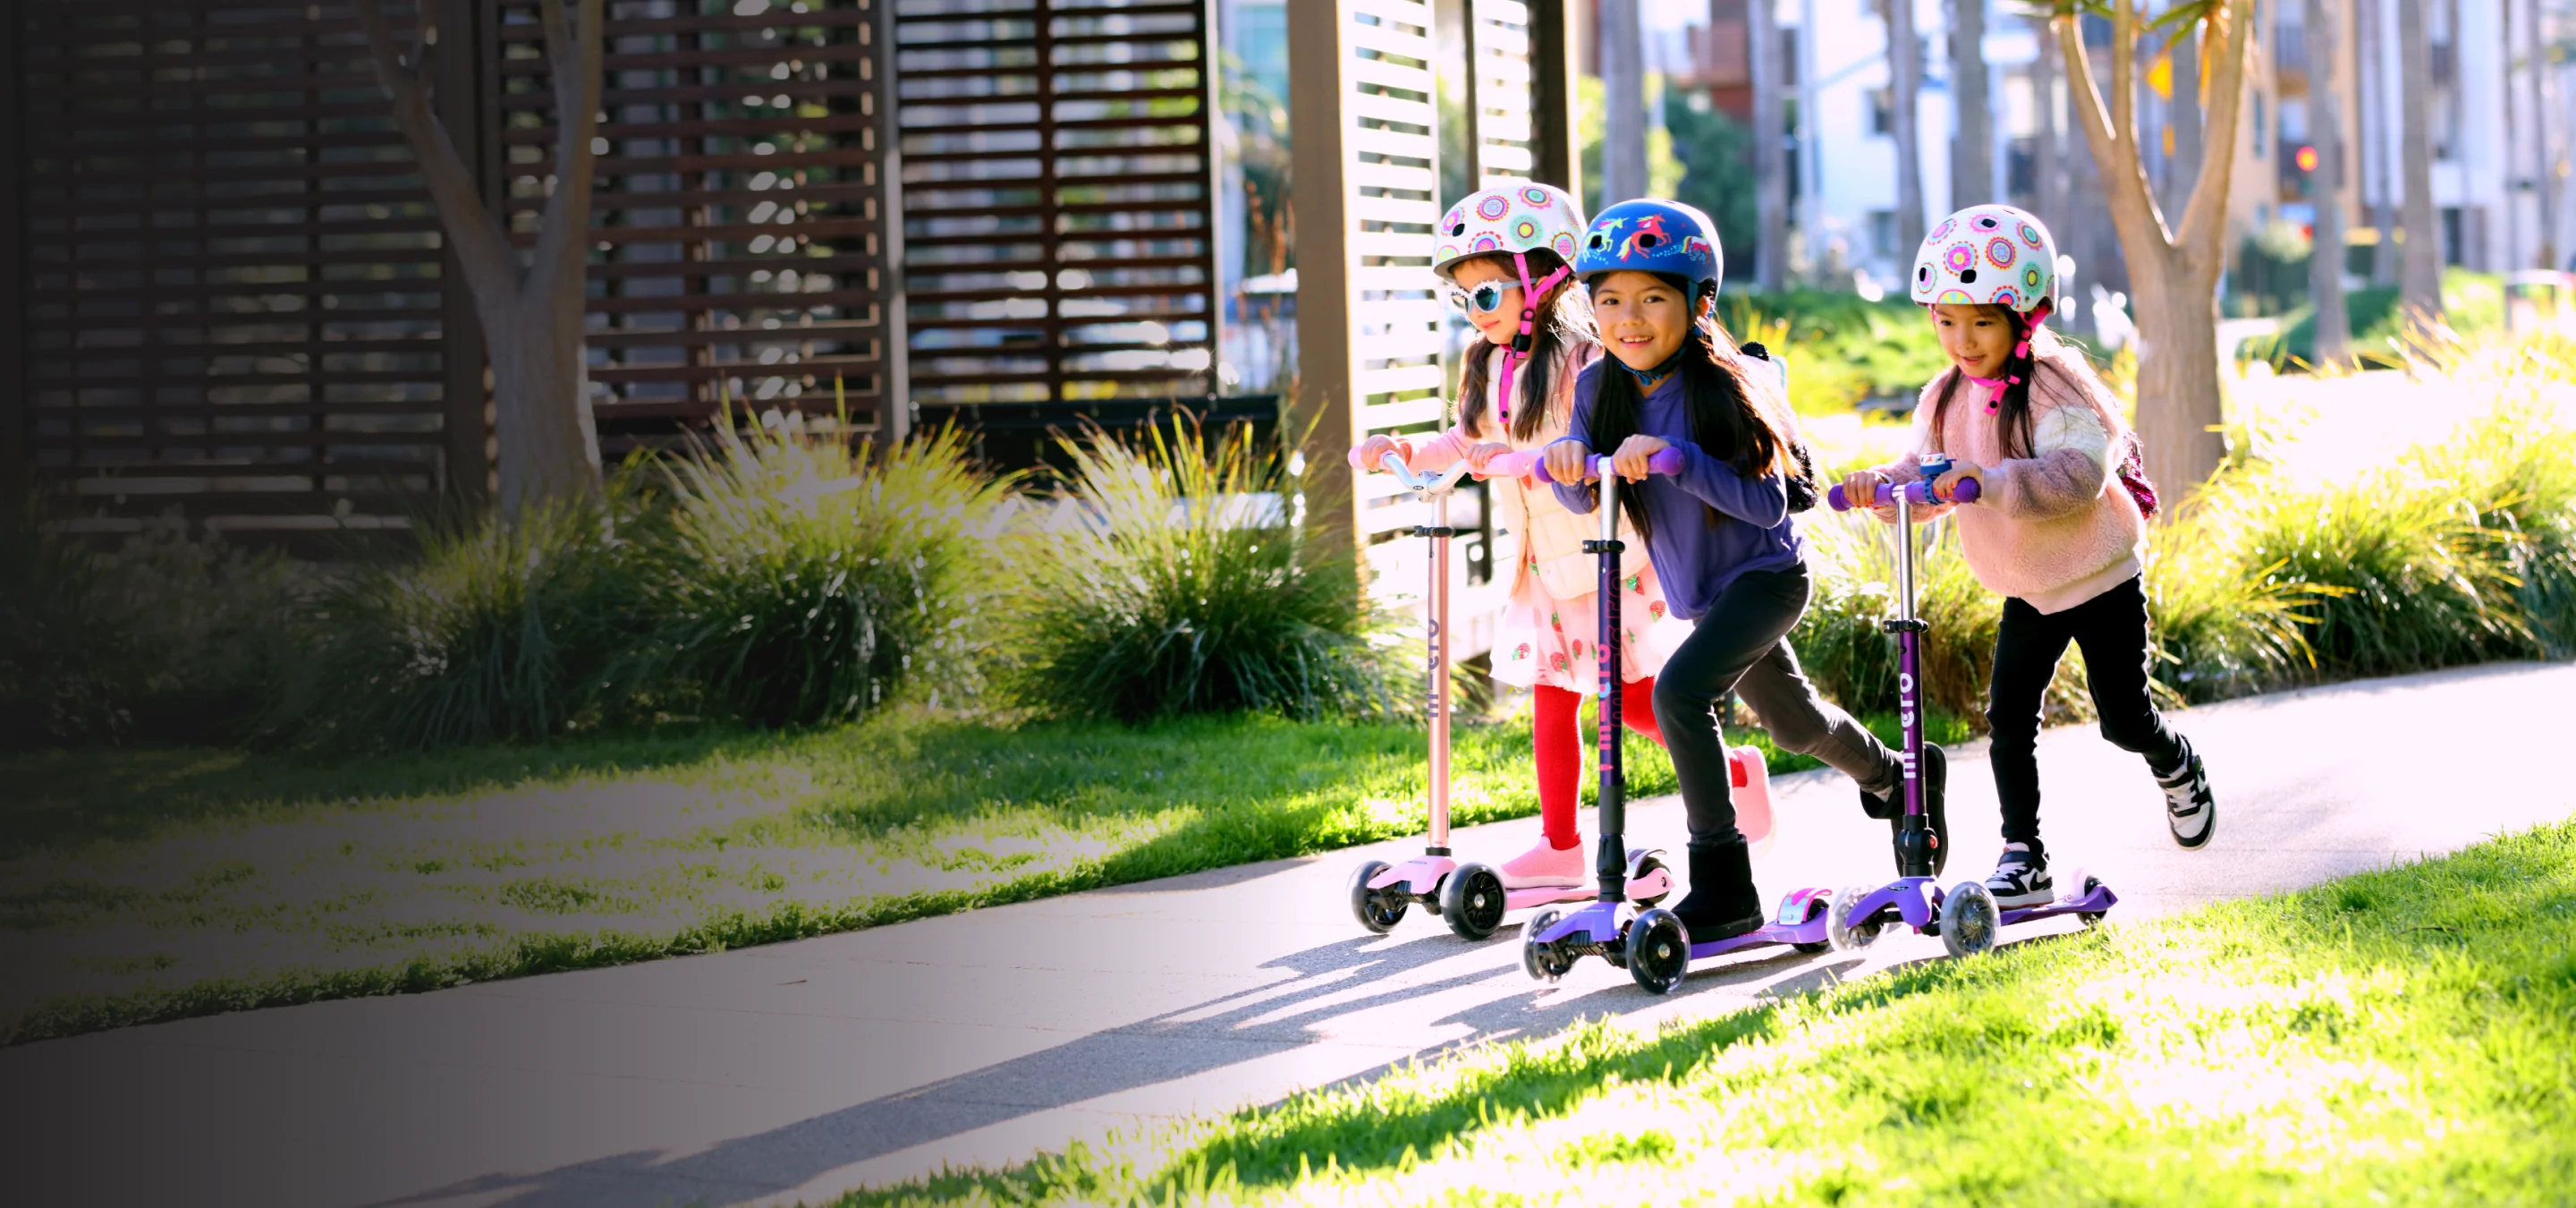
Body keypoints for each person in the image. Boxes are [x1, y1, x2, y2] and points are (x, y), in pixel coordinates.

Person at [1543, 200, 1945, 942]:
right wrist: (1571, 466)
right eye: (1608, 301)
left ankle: (1725, 888)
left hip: (1766, 578)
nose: (1628, 319)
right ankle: (1897, 774)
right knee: (1794, 724)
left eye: (1651, 298)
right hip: (1702, 593)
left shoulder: (1727, 384)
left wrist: (1677, 459)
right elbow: (1586, 488)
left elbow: (1768, 505)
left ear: (1699, 303)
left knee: (1679, 694)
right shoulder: (1599, 387)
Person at [1841, 202, 2216, 909]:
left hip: (2099, 577)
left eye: (1981, 321)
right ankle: (2025, 857)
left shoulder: (2056, 386)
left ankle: (2176, 761)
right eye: (1946, 321)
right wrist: (1881, 487)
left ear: (2025, 316)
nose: (1962, 338)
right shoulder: (1946, 396)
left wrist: (1990, 481)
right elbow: (1926, 480)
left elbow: (2079, 477)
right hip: (2028, 589)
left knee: (2124, 718)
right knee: (2008, 718)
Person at [1351, 182, 1680, 892]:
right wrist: (1405, 451)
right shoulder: (1490, 366)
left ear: (1545, 279)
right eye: (1465, 299)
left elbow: (1595, 445)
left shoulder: (1585, 361)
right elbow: (1466, 442)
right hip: (1541, 567)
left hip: (1603, 554)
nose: (1477, 313)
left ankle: (1728, 778)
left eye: (1489, 295)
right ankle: (1560, 846)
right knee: (1551, 696)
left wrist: (1533, 459)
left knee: (1641, 700)